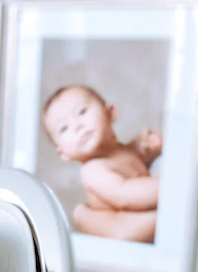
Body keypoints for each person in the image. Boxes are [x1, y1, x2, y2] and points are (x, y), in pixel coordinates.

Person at [42, 85, 161, 244]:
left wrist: (151, 144)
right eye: (64, 128)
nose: (77, 126)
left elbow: (138, 157)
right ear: (63, 153)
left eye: (82, 112)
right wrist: (169, 186)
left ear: (110, 114)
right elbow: (124, 194)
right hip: (129, 238)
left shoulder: (126, 151)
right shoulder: (93, 170)